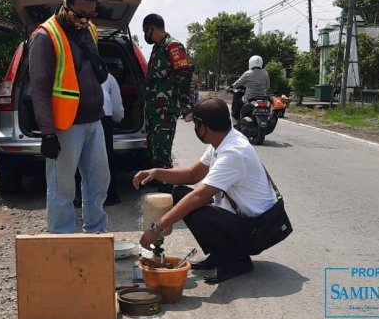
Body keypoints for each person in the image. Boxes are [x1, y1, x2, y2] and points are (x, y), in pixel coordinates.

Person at [132, 97, 277, 284]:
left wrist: (156, 227)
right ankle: (219, 254)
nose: (196, 130)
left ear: (204, 126)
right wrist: (156, 172)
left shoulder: (233, 152)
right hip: (244, 220)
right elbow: (193, 174)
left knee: (197, 208)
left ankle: (237, 261)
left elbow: (199, 197)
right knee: (180, 194)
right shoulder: (223, 141)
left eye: (196, 125)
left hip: (258, 230)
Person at [28, 0, 110, 233]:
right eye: (79, 13)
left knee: (98, 181)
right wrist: (47, 133)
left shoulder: (89, 29)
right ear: (65, 4)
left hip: (93, 121)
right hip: (65, 126)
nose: (85, 18)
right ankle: (61, 240)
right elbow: (39, 89)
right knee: (62, 187)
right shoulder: (45, 36)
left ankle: (95, 233)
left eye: (90, 14)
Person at [141, 14, 191, 192]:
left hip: (166, 108)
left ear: (153, 27)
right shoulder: (157, 48)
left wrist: (176, 98)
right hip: (154, 108)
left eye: (146, 31)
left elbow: (184, 74)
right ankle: (159, 179)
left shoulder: (173, 46)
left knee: (163, 148)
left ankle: (167, 189)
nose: (146, 36)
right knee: (155, 146)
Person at [101, 68, 124, 206]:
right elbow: (117, 109)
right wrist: (118, 119)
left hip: (74, 116)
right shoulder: (107, 77)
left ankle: (79, 196)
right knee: (105, 158)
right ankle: (110, 195)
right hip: (104, 116)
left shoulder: (71, 72)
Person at [229, 55, 270, 121]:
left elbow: (238, 82)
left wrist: (231, 87)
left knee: (239, 102)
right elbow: (267, 86)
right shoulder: (265, 73)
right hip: (263, 98)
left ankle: (236, 119)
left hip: (249, 98)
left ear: (251, 63)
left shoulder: (247, 73)